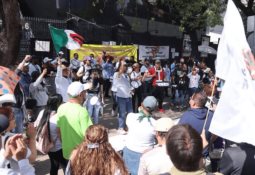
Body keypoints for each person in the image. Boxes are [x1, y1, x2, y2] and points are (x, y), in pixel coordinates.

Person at [56, 81, 93, 159]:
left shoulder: (61, 108)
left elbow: (58, 132)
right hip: (81, 154)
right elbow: (89, 136)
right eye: (84, 91)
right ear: (80, 94)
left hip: (67, 153)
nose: (86, 93)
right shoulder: (82, 111)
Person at [123, 96, 158, 175]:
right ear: (154, 109)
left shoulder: (130, 116)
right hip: (146, 154)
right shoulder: (154, 123)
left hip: (129, 151)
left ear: (141, 104)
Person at [34, 94, 68, 175]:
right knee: (65, 166)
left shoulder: (42, 112)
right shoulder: (59, 116)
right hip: (59, 147)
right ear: (57, 104)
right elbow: (60, 135)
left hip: (48, 146)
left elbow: (36, 126)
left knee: (54, 165)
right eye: (61, 102)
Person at [113, 62, 133, 134]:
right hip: (121, 97)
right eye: (124, 65)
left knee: (130, 113)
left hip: (129, 96)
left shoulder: (126, 75)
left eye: (126, 65)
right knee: (122, 113)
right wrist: (120, 69)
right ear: (119, 67)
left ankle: (128, 126)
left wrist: (131, 89)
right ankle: (120, 128)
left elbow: (128, 85)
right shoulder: (116, 74)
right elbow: (118, 77)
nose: (126, 67)